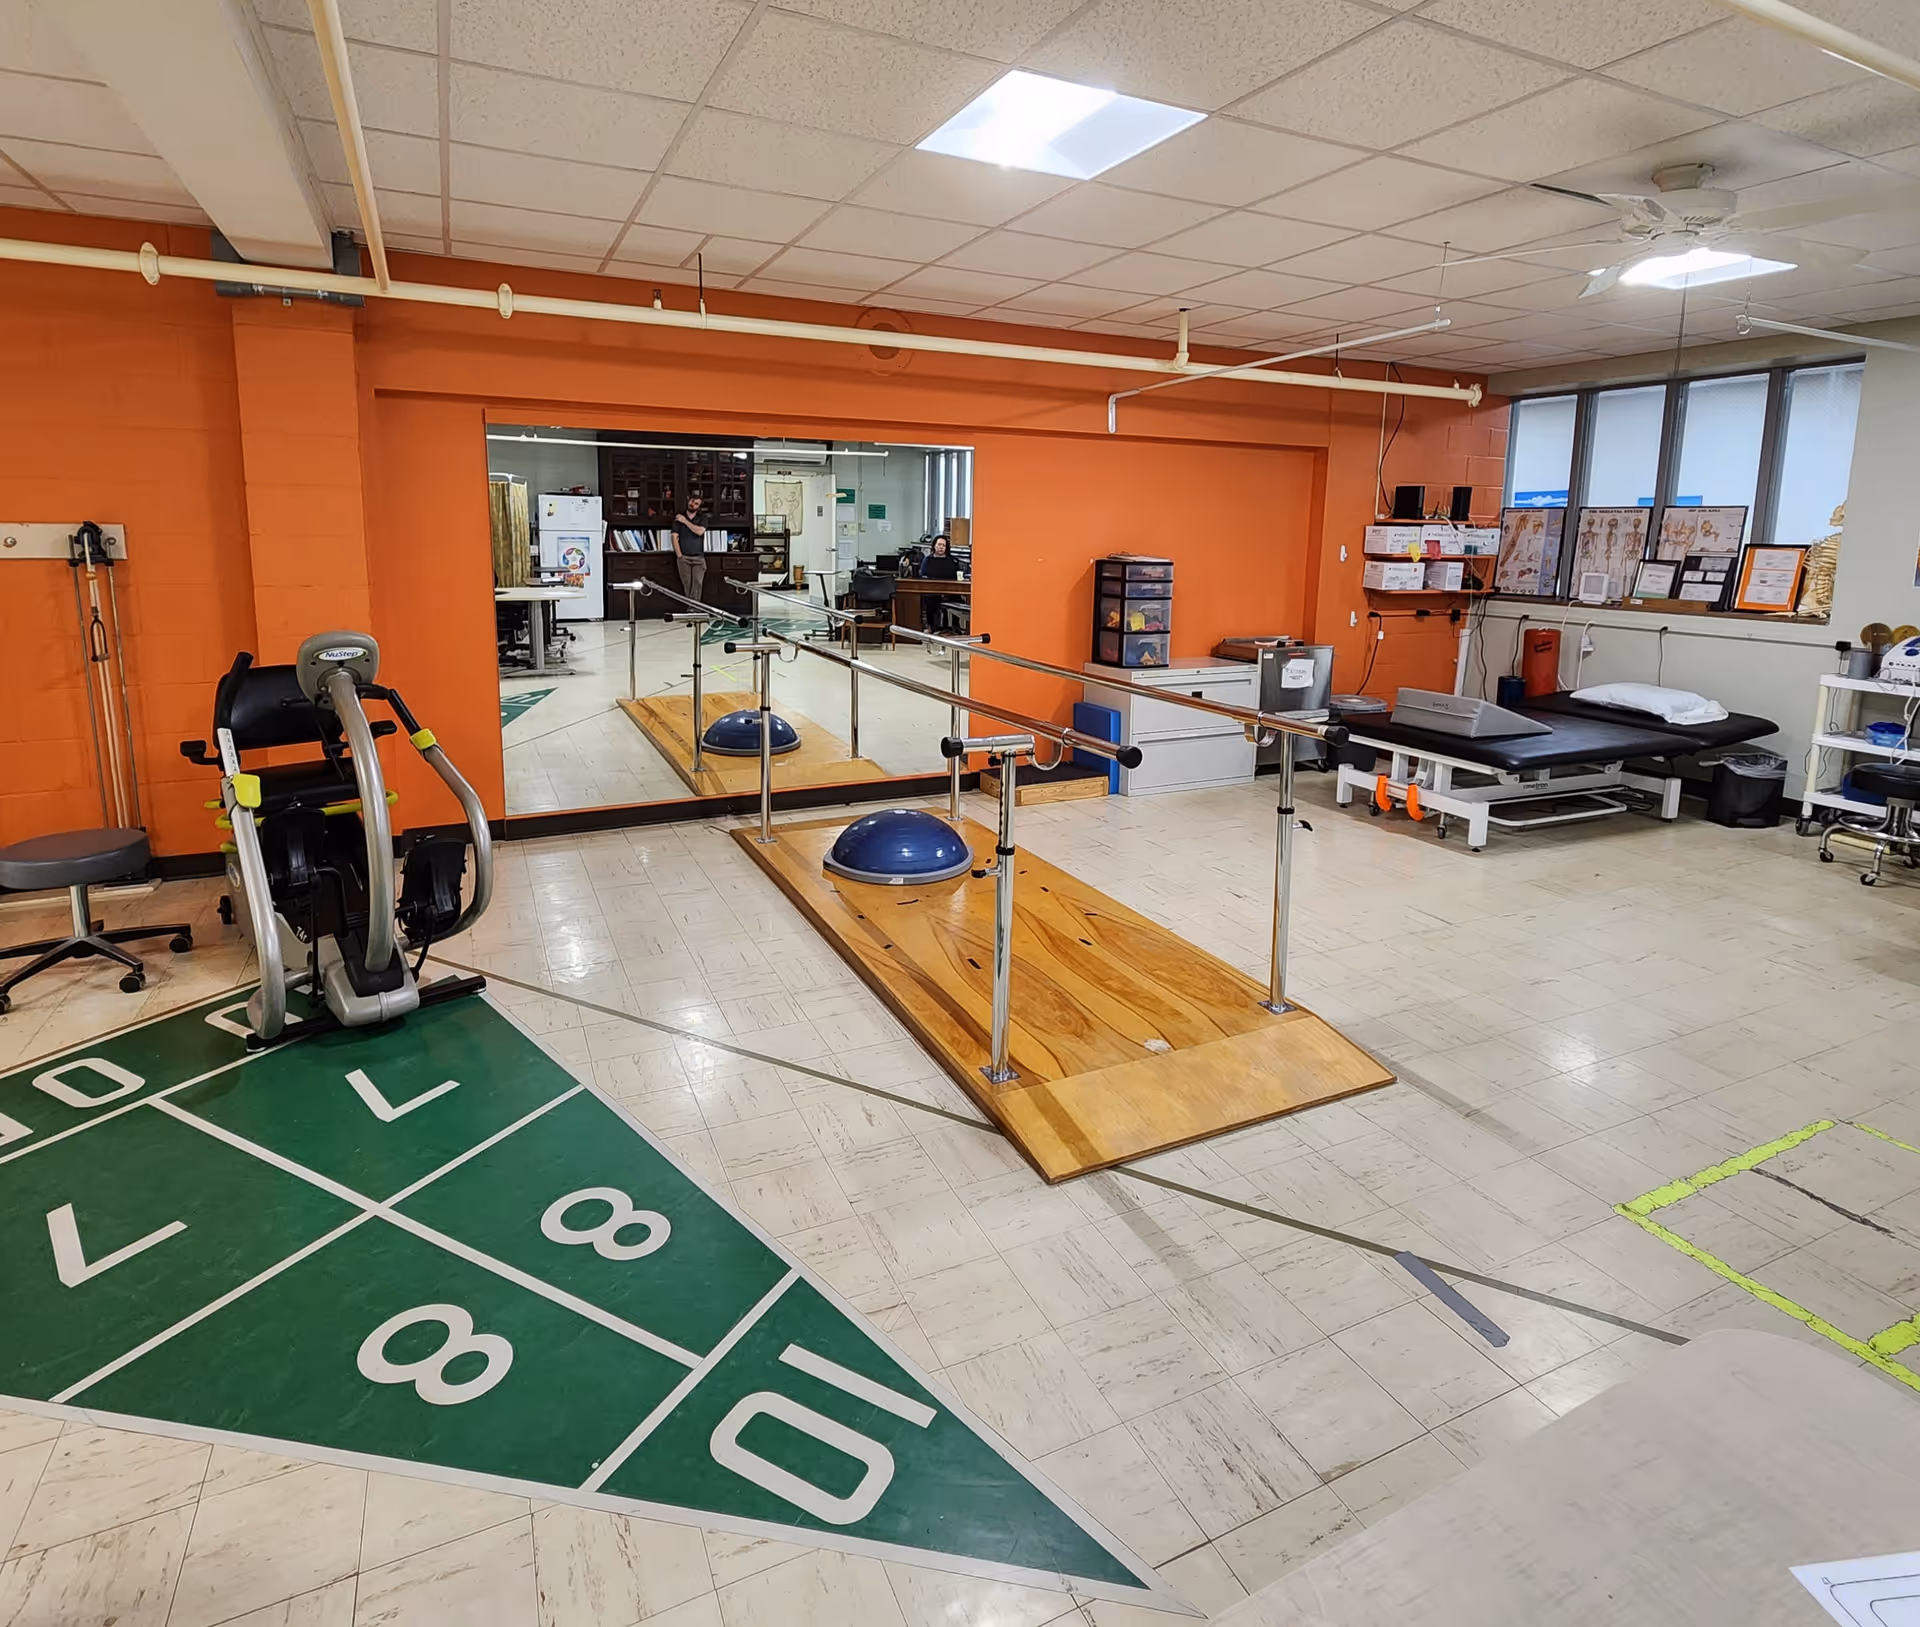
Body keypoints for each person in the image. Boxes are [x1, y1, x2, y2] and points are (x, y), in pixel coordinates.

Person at [917, 533, 962, 629]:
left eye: (944, 545)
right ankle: (932, 627)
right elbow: (923, 575)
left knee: (958, 600)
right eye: (939, 545)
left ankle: (955, 627)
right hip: (932, 591)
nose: (941, 547)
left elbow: (957, 575)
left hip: (950, 591)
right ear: (934, 546)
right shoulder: (928, 560)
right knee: (931, 601)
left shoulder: (952, 560)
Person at [672, 493, 708, 601]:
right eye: (692, 501)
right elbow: (674, 537)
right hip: (684, 558)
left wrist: (685, 521)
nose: (693, 504)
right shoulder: (678, 518)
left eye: (696, 503)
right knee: (687, 584)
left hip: (699, 558)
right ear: (689, 501)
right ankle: (693, 608)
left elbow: (699, 531)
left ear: (699, 507)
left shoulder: (702, 518)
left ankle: (694, 608)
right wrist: (679, 556)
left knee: (697, 583)